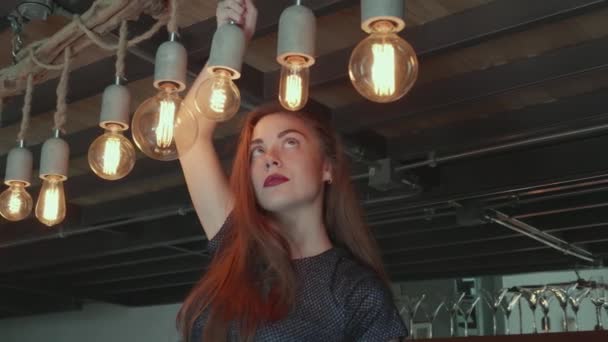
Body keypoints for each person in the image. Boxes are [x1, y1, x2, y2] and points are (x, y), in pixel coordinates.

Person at [175, 0, 408, 341]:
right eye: (257, 150)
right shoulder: (235, 242)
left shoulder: (356, 291)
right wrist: (228, 48)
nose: (269, 157)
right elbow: (188, 135)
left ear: (327, 167)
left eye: (290, 142)